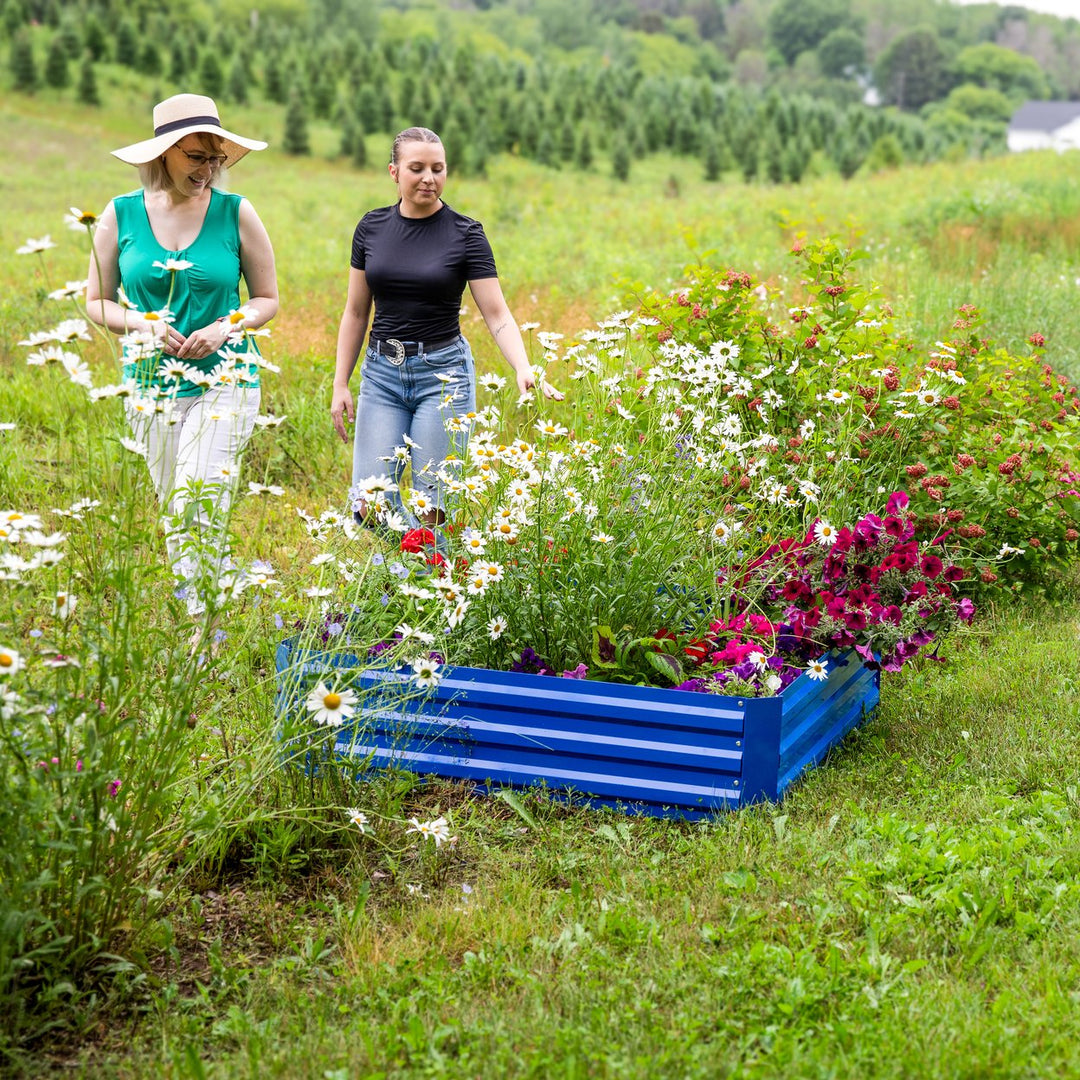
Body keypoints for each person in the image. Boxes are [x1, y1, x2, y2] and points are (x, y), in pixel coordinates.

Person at [84, 93, 278, 612]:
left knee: (200, 496)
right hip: (150, 384)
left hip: (228, 376)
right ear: (163, 153)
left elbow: (267, 299)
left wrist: (226, 326)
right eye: (196, 157)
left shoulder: (237, 213)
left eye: (215, 158)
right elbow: (97, 303)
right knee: (177, 508)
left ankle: (202, 628)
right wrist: (143, 324)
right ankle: (207, 602)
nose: (208, 170)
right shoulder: (119, 214)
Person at [330, 126, 561, 540]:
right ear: (394, 172)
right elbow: (354, 311)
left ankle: (428, 584)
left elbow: (497, 314)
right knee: (367, 503)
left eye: (438, 169)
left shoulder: (466, 233)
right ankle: (407, 574)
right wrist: (340, 383)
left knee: (433, 505)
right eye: (416, 168)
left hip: (443, 376)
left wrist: (523, 365)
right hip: (381, 374)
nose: (428, 178)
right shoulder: (371, 228)